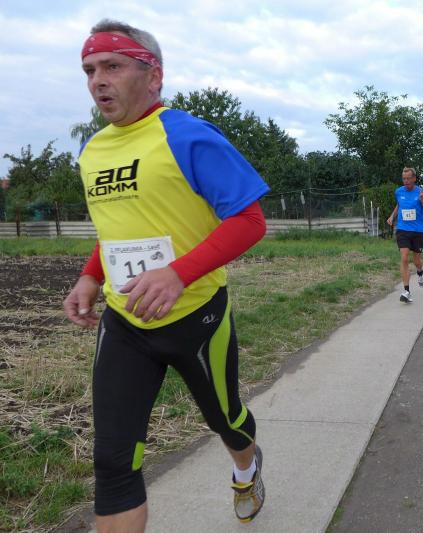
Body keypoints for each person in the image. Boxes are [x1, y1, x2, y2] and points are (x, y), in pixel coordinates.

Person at [63, 19, 269, 531]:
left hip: (196, 317)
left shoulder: (188, 135)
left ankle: (247, 468)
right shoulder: (92, 151)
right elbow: (116, 230)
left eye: (112, 66)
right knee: (113, 462)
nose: (98, 80)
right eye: (89, 70)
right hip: (125, 323)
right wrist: (90, 276)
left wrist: (177, 273)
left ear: (153, 75)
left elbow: (249, 221)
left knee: (226, 421)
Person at [386, 167, 423, 303]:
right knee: (404, 258)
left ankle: (420, 271)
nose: (406, 181)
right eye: (404, 179)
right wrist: (392, 216)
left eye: (408, 178)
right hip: (403, 229)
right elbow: (399, 205)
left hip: (418, 231)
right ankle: (406, 291)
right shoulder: (399, 191)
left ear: (414, 178)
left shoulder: (422, 193)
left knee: (416, 261)